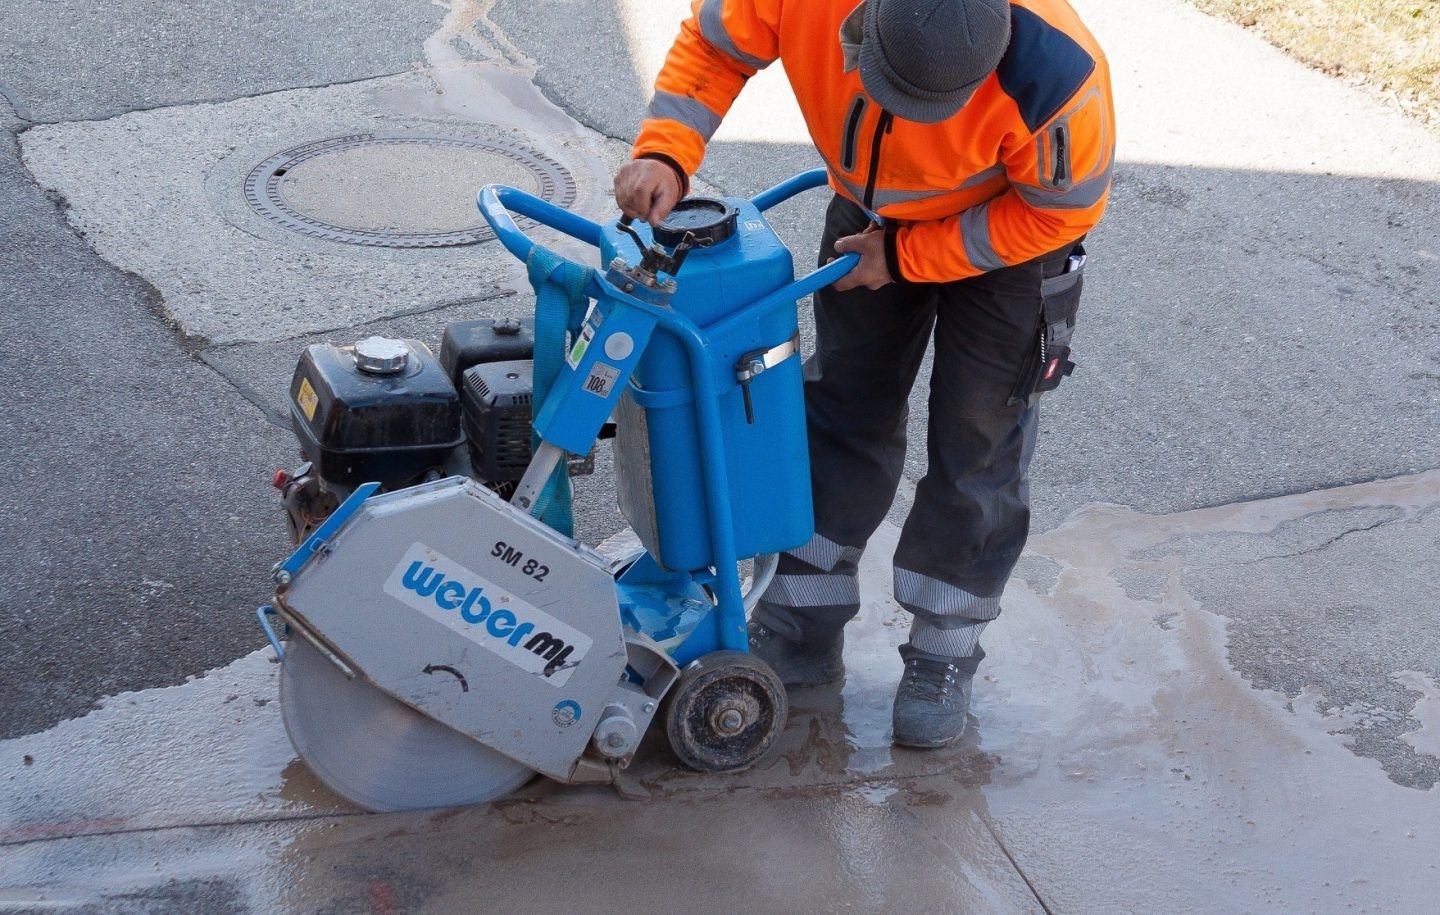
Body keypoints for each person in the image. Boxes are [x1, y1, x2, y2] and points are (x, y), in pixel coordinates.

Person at [614, 0, 1115, 748]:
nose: (909, 118)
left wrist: (910, 258)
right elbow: (718, 46)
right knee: (839, 407)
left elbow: (1058, 212)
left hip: (1007, 243)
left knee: (979, 440)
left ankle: (943, 653)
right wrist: (668, 148)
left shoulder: (1059, 78)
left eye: (929, 107)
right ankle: (801, 622)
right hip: (867, 211)